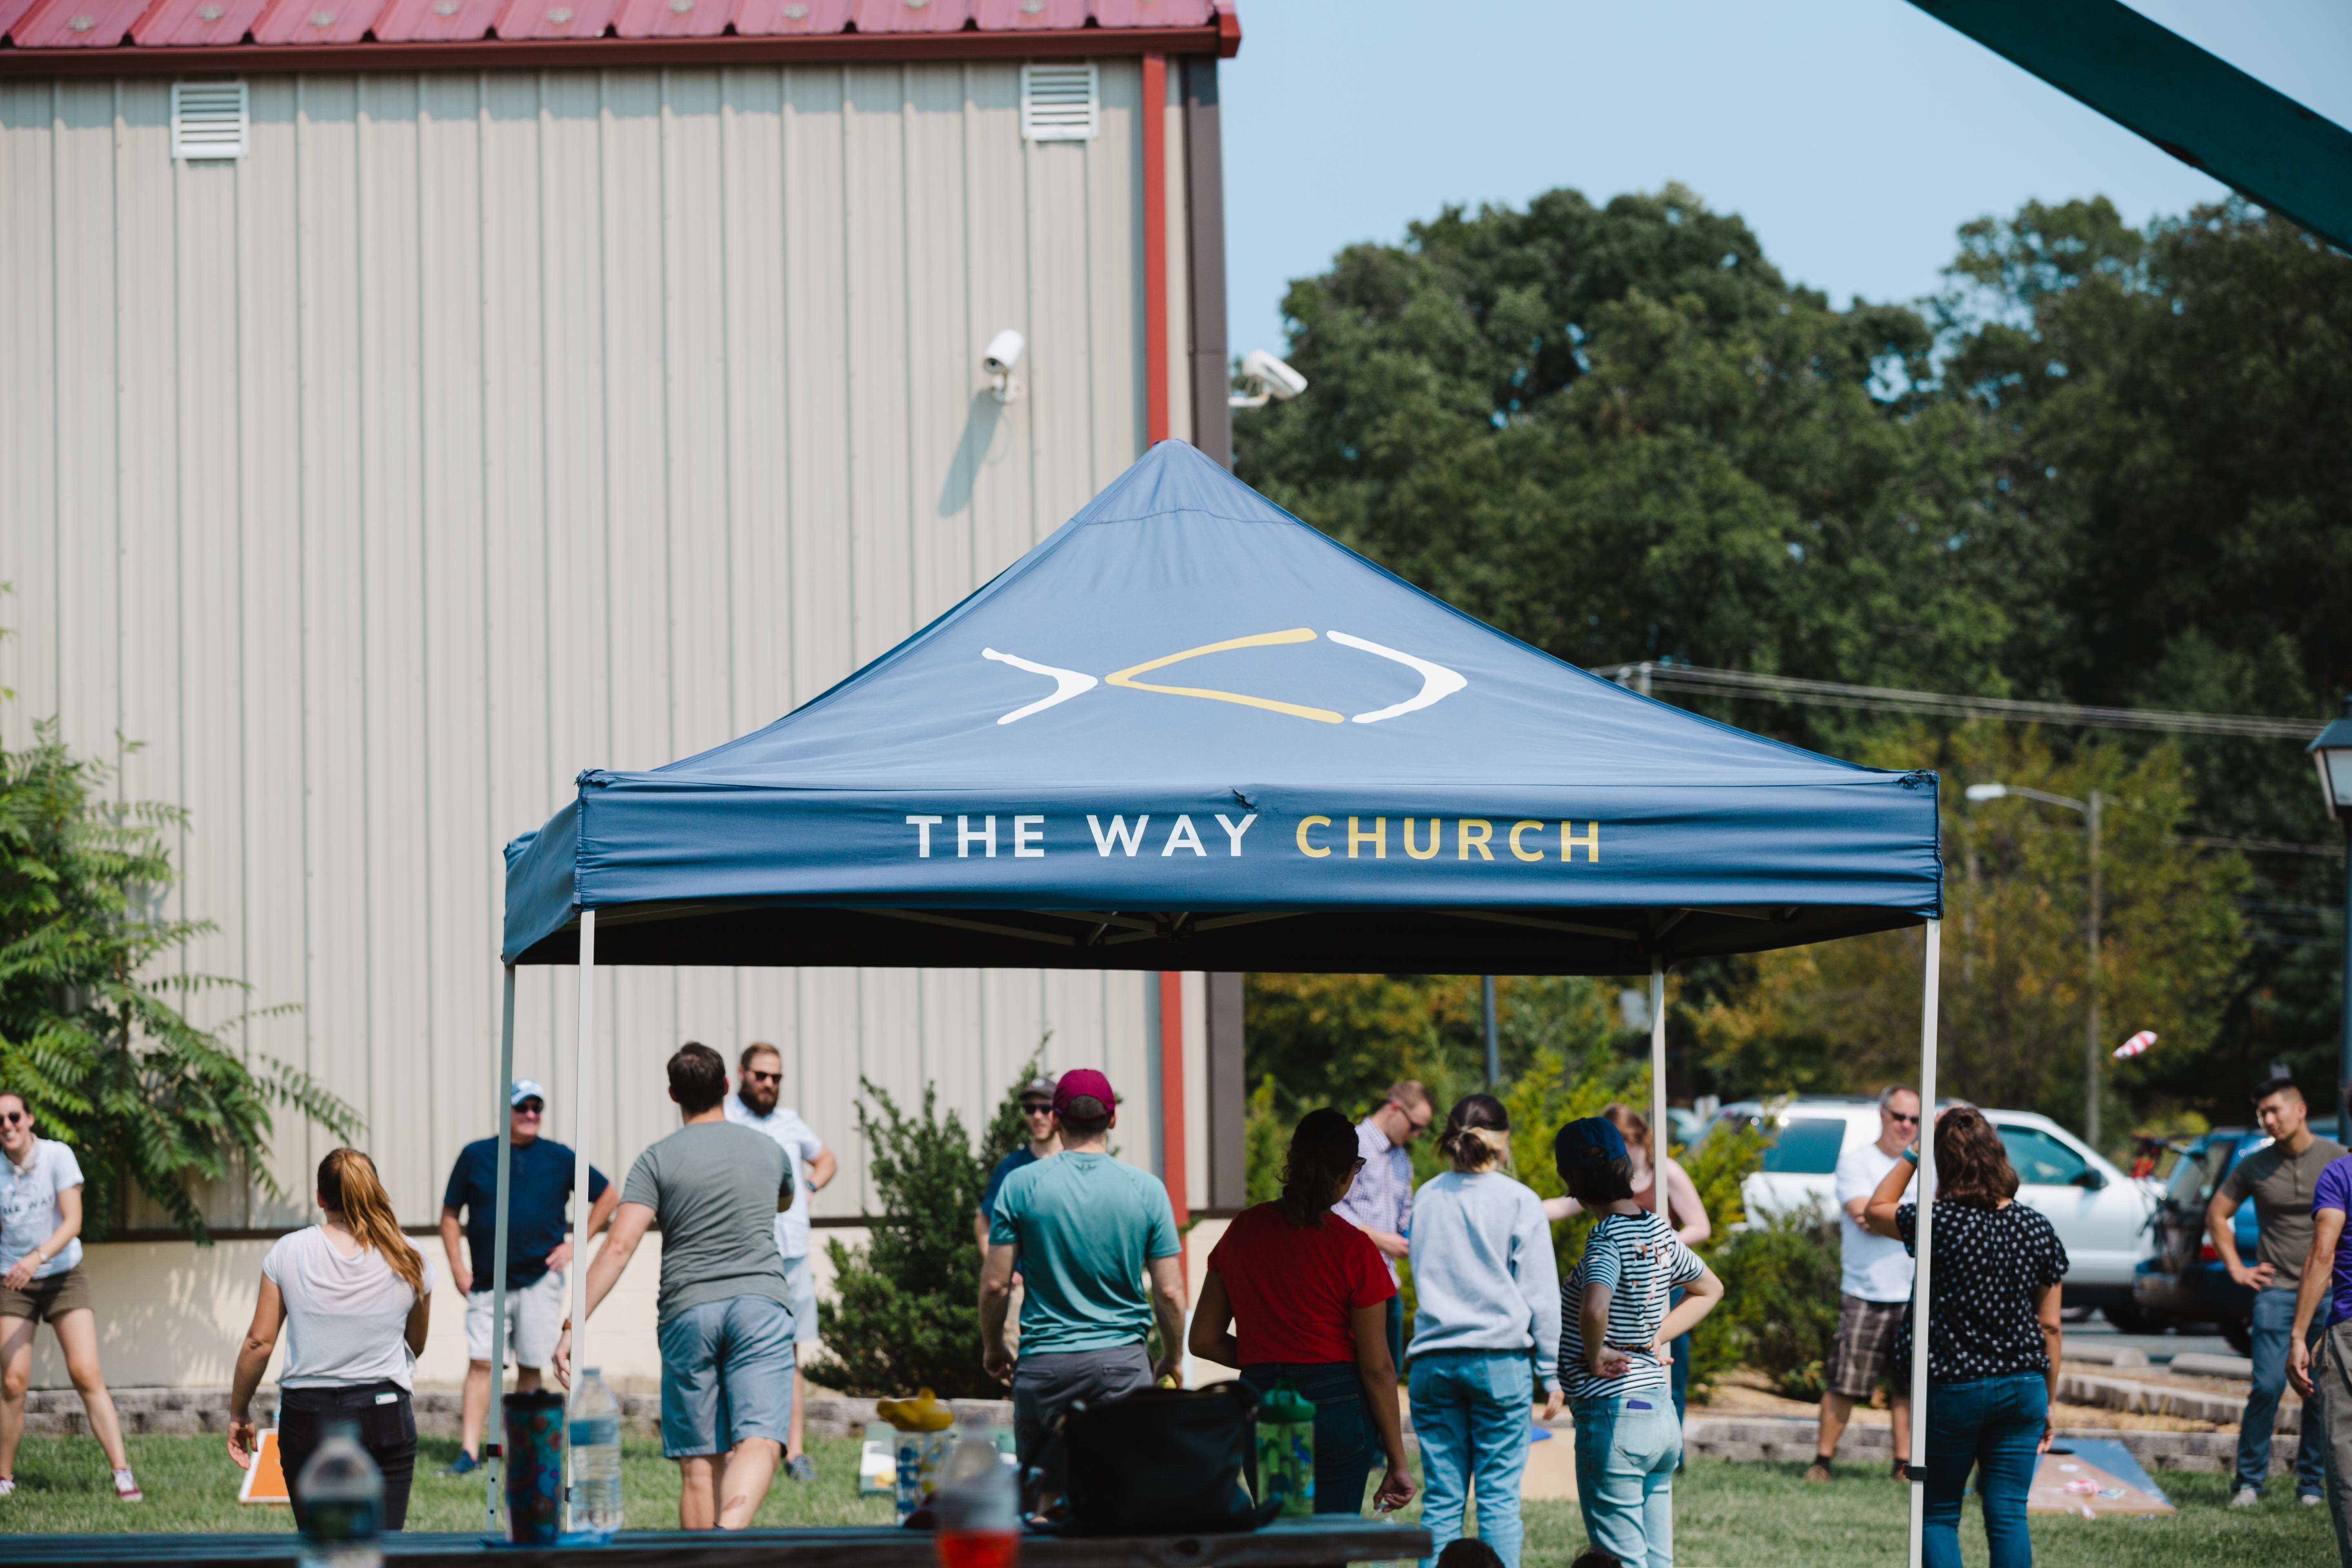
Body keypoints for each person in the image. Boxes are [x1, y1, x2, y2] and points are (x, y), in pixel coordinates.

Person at [553, 1042, 797, 1530]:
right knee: (761, 1441)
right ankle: (728, 1538)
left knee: (699, 1465)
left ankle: (708, 1553)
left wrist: (572, 1325)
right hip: (761, 1308)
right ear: (726, 1086)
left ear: (673, 1094)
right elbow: (783, 1201)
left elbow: (618, 1247)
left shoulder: (655, 1160)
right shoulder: (770, 1150)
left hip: (689, 1314)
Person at [1863, 1106, 2065, 1568]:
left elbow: (1875, 1211)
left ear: (1945, 1164)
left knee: (1938, 1514)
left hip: (1953, 1387)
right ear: (1998, 1155)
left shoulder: (1938, 1222)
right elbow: (2051, 1326)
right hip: (2024, 1388)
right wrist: (2050, 1401)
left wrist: (1916, 1152)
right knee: (2009, 1514)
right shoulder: (2037, 1228)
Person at [1188, 1108, 1416, 1517]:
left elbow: (1203, 1340)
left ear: (1293, 1162)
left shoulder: (1243, 1230)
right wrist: (1398, 1462)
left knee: (1282, 1538)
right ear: (1347, 1173)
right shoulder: (1354, 1248)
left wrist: (1268, 1361)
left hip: (1265, 1400)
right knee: (1329, 1541)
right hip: (1336, 1405)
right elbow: (1377, 1368)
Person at [980, 1068, 1185, 1467]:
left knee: (1043, 1492)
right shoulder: (1147, 1190)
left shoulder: (1019, 1185)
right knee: (1124, 1490)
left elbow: (995, 1286)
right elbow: (1170, 1292)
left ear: (1056, 1120)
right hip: (1123, 1368)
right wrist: (1173, 1355)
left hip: (1045, 1367)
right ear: (1113, 1119)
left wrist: (994, 1347)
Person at [228, 1149, 434, 1531]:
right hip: (385, 1413)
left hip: (307, 1415)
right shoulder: (409, 1254)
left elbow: (259, 1342)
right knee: (384, 1544)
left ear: (320, 1198)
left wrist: (239, 1412)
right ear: (374, 1189)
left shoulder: (289, 1250)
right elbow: (416, 1343)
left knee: (320, 1544)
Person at [1555, 1115, 1724, 1568]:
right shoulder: (1658, 1230)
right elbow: (1710, 1288)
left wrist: (1596, 1356)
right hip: (1659, 1415)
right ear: (1626, 1167)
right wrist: (1656, 1337)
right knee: (1656, 1561)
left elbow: (1594, 1308)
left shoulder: (1605, 1238)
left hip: (1614, 1416)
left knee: (1620, 1562)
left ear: (1570, 1180)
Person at [1405, 1094, 1561, 1568]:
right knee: (1498, 1501)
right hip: (1499, 1362)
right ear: (1503, 1142)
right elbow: (1541, 1294)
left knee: (1441, 1501)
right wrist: (1552, 1371)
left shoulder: (1427, 1197)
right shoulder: (1519, 1200)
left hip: (1433, 1361)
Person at [437, 1078, 617, 1476]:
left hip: (540, 1280)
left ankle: (523, 1450)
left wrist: (577, 1244)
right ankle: (470, 1452)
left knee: (533, 1365)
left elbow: (608, 1195)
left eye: (537, 1108)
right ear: (507, 1111)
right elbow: (449, 1215)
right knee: (481, 1364)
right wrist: (458, 1270)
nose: (531, 1114)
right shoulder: (476, 1155)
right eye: (523, 1107)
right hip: (488, 1283)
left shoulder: (559, 1156)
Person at [2208, 1070, 2339, 1506]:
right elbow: (2217, 1215)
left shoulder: (2336, 1158)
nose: (2267, 1120)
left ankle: (2311, 1484)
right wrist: (2237, 1268)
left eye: (2274, 1110)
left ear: (2300, 1110)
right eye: (2261, 1113)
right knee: (2266, 1386)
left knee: (2319, 1391)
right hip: (2277, 1290)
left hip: (2328, 1292)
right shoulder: (2254, 1164)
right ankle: (2249, 1482)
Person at [0, 1090, 138, 1502]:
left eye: (13, 1116)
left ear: (29, 1119)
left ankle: (123, 1473)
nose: (6, 1125)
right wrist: (19, 1266)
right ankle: (3, 1478)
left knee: (85, 1372)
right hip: (13, 1281)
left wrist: (36, 1258)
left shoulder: (57, 1156)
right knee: (13, 1381)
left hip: (62, 1275)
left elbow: (73, 1222)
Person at [1542, 1103, 1711, 1424]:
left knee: (1671, 1379)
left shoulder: (1613, 1234)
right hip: (1638, 1410)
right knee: (1640, 1373)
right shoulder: (1635, 1222)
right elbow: (1713, 1289)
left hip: (1662, 1287)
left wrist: (1658, 1249)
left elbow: (1594, 1311)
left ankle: (1675, 1443)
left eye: (1629, 1140)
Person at [724, 1042, 839, 1484]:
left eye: (776, 1077)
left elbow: (826, 1160)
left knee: (790, 1354)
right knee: (736, 1350)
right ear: (742, 1074)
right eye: (761, 1076)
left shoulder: (790, 1122)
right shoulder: (726, 1119)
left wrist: (809, 1187)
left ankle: (796, 1452)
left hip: (792, 1254)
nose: (769, 1084)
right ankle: (737, 1449)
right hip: (744, 1255)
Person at [1809, 1084, 1922, 1484]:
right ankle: (1822, 1462)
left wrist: (1887, 1213)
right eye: (1900, 1116)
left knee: (1909, 1388)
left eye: (1915, 1120)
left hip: (1914, 1291)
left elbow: (1882, 1215)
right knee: (1845, 1382)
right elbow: (1866, 1217)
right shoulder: (1857, 1161)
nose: (1907, 1125)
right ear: (1882, 1115)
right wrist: (1916, 1218)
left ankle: (1902, 1466)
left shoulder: (1932, 1168)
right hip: (1865, 1290)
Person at [1332, 1081, 1434, 1374]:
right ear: (1394, 1109)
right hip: (1349, 1284)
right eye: (1415, 1126)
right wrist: (1380, 1240)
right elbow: (1333, 1207)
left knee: (1390, 1370)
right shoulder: (1354, 1144)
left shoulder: (1402, 1158)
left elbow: (1406, 1214)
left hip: (1388, 1283)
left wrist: (1412, 1237)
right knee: (1356, 1371)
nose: (1416, 1135)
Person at [976, 1073, 1061, 1253]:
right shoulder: (1011, 1166)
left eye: (1046, 1108)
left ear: (1059, 1112)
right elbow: (984, 1221)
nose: (1037, 1116)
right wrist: (997, 1267)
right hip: (1023, 1271)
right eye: (1030, 1109)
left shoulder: (1075, 1162)